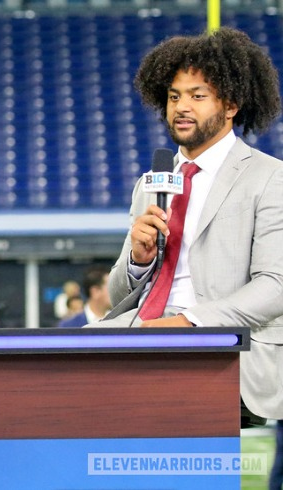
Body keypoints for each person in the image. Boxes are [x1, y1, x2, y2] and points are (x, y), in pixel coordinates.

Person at [91, 28, 283, 421]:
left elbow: (275, 287)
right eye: (174, 96)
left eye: (198, 96)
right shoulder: (149, 183)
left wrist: (190, 322)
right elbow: (117, 296)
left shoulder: (269, 178)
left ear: (230, 105)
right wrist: (137, 260)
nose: (182, 107)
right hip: (145, 333)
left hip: (223, 345)